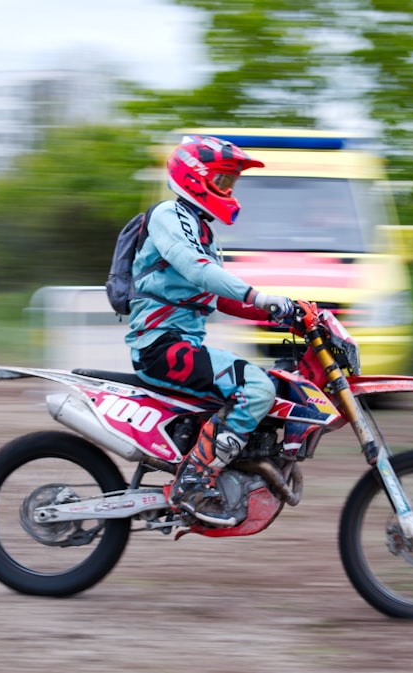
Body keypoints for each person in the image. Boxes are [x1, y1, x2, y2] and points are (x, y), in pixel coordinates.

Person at [126, 134, 295, 527]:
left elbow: (217, 296)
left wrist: (284, 312)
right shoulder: (169, 215)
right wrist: (259, 294)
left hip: (181, 343)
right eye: (223, 180)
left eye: (231, 183)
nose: (230, 190)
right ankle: (194, 481)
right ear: (195, 177)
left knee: (269, 385)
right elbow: (196, 269)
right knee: (256, 388)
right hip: (161, 345)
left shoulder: (202, 230)